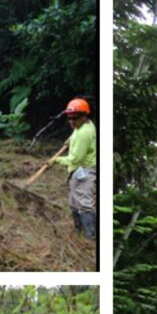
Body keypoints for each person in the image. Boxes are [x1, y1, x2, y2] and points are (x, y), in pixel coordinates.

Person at [55, 98, 97, 240]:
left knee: (84, 205)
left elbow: (75, 159)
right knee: (73, 204)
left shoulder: (83, 134)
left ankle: (90, 237)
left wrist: (57, 160)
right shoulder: (83, 126)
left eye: (75, 118)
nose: (72, 121)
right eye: (69, 118)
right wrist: (69, 141)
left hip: (84, 171)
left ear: (84, 116)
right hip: (77, 171)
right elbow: (75, 134)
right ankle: (78, 233)